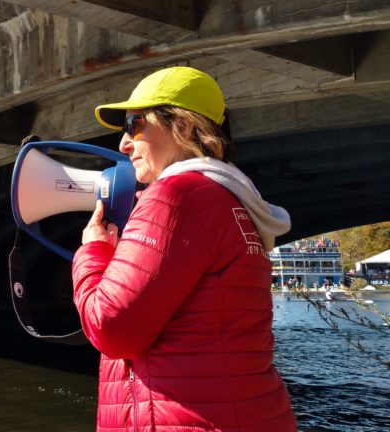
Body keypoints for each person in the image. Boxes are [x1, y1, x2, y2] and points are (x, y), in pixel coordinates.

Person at [71, 66, 297, 431]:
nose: (123, 143)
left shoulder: (176, 196)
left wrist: (94, 253)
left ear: (185, 127)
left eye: (135, 125)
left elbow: (112, 328)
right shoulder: (230, 200)